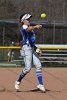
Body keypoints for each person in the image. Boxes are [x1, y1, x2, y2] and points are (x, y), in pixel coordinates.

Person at [15, 13, 45, 92]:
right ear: (23, 21)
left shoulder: (30, 28)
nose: (29, 20)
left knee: (38, 65)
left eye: (29, 19)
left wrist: (36, 49)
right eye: (27, 19)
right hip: (26, 48)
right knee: (28, 68)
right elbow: (27, 29)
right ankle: (18, 81)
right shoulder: (24, 26)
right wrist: (35, 27)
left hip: (31, 48)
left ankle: (41, 84)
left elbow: (31, 42)